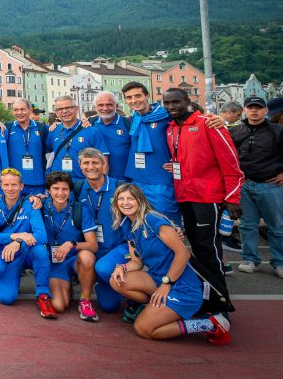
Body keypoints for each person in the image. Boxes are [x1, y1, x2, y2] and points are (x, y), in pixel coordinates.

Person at [109, 183, 231, 345]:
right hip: (158, 279)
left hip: (182, 285)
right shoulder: (131, 227)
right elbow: (136, 262)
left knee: (143, 329)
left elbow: (183, 253)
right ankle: (157, 308)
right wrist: (121, 267)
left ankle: (209, 324)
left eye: (131, 198)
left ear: (140, 200)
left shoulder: (152, 219)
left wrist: (167, 283)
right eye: (121, 199)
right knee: (116, 280)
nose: (126, 202)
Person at [164, 87, 243, 314]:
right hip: (184, 196)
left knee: (209, 250)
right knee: (195, 247)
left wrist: (232, 198)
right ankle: (207, 298)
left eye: (176, 102)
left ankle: (221, 303)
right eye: (167, 103)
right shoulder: (171, 128)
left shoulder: (208, 124)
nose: (171, 107)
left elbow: (231, 163)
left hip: (207, 198)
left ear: (187, 102)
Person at [0, 168, 57, 318]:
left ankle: (43, 295)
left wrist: (19, 242)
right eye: (6, 185)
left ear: (21, 186)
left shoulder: (31, 204)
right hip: (4, 253)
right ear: (0, 186)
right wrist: (16, 236)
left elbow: (41, 236)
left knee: (40, 250)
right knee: (6, 298)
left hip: (23, 251)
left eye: (14, 185)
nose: (10, 189)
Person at [231, 96, 283, 277]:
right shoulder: (236, 131)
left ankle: (280, 262)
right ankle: (250, 259)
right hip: (244, 185)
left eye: (258, 107)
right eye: (250, 107)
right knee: (247, 226)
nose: (254, 110)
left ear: (266, 110)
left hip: (270, 186)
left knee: (277, 226)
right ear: (244, 109)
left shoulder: (278, 131)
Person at [74, 149, 129, 317]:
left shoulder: (119, 187)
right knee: (109, 305)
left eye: (95, 162)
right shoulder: (77, 188)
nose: (91, 167)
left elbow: (144, 212)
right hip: (93, 248)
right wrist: (36, 199)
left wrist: (171, 227)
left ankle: (134, 298)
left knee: (104, 271)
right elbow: (56, 200)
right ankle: (89, 293)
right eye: (86, 163)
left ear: (103, 164)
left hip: (117, 248)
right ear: (80, 166)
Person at [42, 171, 100, 320]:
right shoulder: (40, 207)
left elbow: (93, 246)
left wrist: (71, 244)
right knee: (59, 306)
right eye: (56, 189)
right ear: (48, 190)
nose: (60, 193)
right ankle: (67, 287)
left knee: (87, 256)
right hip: (54, 262)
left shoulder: (80, 209)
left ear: (70, 191)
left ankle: (85, 301)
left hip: (74, 260)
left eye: (65, 189)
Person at [121, 81, 179, 223]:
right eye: (129, 98)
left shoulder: (166, 115)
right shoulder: (135, 118)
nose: (134, 101)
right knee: (142, 224)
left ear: (147, 96)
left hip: (160, 181)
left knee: (167, 223)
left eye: (137, 96)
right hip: (137, 179)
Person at [46, 96, 108, 182]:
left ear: (76, 109)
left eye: (68, 107)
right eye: (60, 109)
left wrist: (102, 185)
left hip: (82, 183)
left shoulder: (92, 131)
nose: (64, 111)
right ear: (56, 112)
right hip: (57, 184)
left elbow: (104, 161)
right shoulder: (53, 130)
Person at [6, 98, 46, 195]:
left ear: (30, 110)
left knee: (35, 209)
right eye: (16, 110)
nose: (19, 112)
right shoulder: (6, 128)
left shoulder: (42, 128)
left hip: (37, 182)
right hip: (14, 183)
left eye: (23, 109)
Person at [90, 92, 132, 180]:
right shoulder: (90, 123)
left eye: (109, 105)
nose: (105, 108)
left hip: (124, 180)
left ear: (116, 106)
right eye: (100, 105)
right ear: (95, 107)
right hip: (98, 179)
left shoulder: (128, 123)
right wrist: (54, 124)